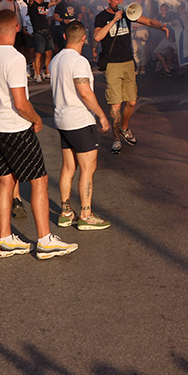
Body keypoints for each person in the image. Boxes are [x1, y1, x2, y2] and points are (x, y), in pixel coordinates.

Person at [0, 9, 77, 259]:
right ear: (18, 27)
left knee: (6, 180)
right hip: (14, 125)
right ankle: (44, 240)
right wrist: (36, 119)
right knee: (38, 180)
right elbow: (20, 102)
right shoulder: (15, 58)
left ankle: (6, 238)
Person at [51, 21, 113, 231]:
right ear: (84, 39)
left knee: (69, 167)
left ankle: (66, 212)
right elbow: (85, 91)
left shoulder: (56, 59)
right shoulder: (78, 61)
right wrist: (101, 115)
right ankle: (86, 214)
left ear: (66, 37)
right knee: (88, 168)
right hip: (79, 119)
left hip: (61, 118)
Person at [92, 0, 170, 154]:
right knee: (115, 107)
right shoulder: (101, 17)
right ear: (108, 0)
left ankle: (124, 128)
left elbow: (148, 21)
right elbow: (97, 36)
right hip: (112, 65)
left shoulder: (127, 13)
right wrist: (114, 20)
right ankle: (116, 139)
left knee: (131, 101)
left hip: (128, 63)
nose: (119, 2)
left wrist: (161, 26)